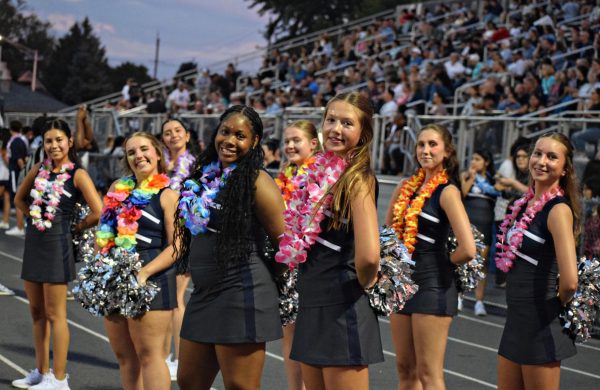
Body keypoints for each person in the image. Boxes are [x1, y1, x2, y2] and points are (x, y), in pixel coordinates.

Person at [175, 105, 285, 390]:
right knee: (189, 382)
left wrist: (272, 286)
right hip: (204, 294)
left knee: (240, 386)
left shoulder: (258, 181)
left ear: (255, 141)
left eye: (240, 135)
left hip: (241, 292)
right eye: (225, 132)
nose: (230, 141)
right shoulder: (205, 177)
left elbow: (286, 244)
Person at [283, 92, 383, 390]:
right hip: (313, 301)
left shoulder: (357, 178)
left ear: (363, 133)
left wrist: (359, 288)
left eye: (347, 123)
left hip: (342, 304)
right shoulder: (318, 172)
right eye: (331, 120)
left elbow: (368, 256)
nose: (336, 129)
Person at [11, 119, 102, 389]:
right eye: (49, 141)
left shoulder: (78, 174)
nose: (54, 146)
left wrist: (77, 226)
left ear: (70, 141)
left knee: (55, 314)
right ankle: (40, 371)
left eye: (59, 140)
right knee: (36, 313)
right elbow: (19, 199)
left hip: (58, 248)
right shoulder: (39, 169)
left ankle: (59, 378)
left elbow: (98, 211)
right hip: (35, 246)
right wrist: (34, 218)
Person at [385, 123, 475, 389]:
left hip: (433, 285)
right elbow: (389, 231)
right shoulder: (406, 186)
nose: (425, 150)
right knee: (405, 369)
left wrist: (443, 264)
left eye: (432, 144)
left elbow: (468, 248)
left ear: (446, 151)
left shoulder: (447, 191)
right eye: (421, 144)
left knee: (428, 373)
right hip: (403, 286)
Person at [496, 132, 580, 390]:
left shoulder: (558, 210)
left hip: (541, 322)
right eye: (538, 153)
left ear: (565, 169)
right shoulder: (521, 204)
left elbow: (570, 282)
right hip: (515, 319)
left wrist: (551, 310)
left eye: (552, 157)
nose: (542, 161)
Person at [100, 132, 179, 390]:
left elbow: (177, 245)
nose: (138, 155)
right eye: (131, 152)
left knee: (150, 356)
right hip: (115, 276)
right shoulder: (116, 189)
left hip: (151, 276)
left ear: (157, 153)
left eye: (144, 149)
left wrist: (144, 273)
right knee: (125, 357)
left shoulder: (168, 195)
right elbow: (104, 232)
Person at [275, 120, 321, 390]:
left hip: (312, 264)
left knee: (310, 334)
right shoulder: (284, 175)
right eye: (287, 141)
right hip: (288, 264)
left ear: (313, 143)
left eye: (296, 140)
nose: (290, 146)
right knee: (289, 333)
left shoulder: (321, 175)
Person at [160, 118, 197, 381]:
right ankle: (162, 356)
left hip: (184, 234)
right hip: (159, 235)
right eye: (167, 133)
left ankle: (180, 359)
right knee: (164, 299)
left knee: (175, 298)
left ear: (187, 134)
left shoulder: (192, 164)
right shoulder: (160, 163)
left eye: (177, 131)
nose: (172, 136)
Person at [460, 149, 500, 316]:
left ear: (486, 162)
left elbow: (499, 190)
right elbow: (463, 192)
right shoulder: (466, 176)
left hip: (485, 226)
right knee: (464, 261)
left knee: (481, 265)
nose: (473, 162)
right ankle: (459, 295)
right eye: (472, 159)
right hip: (468, 223)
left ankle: (479, 302)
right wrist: (471, 176)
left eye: (477, 159)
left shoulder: (493, 179)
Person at [494, 140, 531, 287]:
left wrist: (512, 183)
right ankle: (502, 279)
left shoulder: (534, 174)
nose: (520, 159)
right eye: (518, 157)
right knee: (503, 246)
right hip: (509, 217)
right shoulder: (515, 173)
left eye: (524, 156)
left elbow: (531, 192)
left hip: (527, 221)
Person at [6, 120, 28, 237]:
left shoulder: (15, 142)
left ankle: (19, 226)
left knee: (17, 198)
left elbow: (19, 159)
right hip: (18, 172)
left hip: (16, 172)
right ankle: (22, 224)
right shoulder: (22, 140)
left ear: (10, 129)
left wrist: (25, 174)